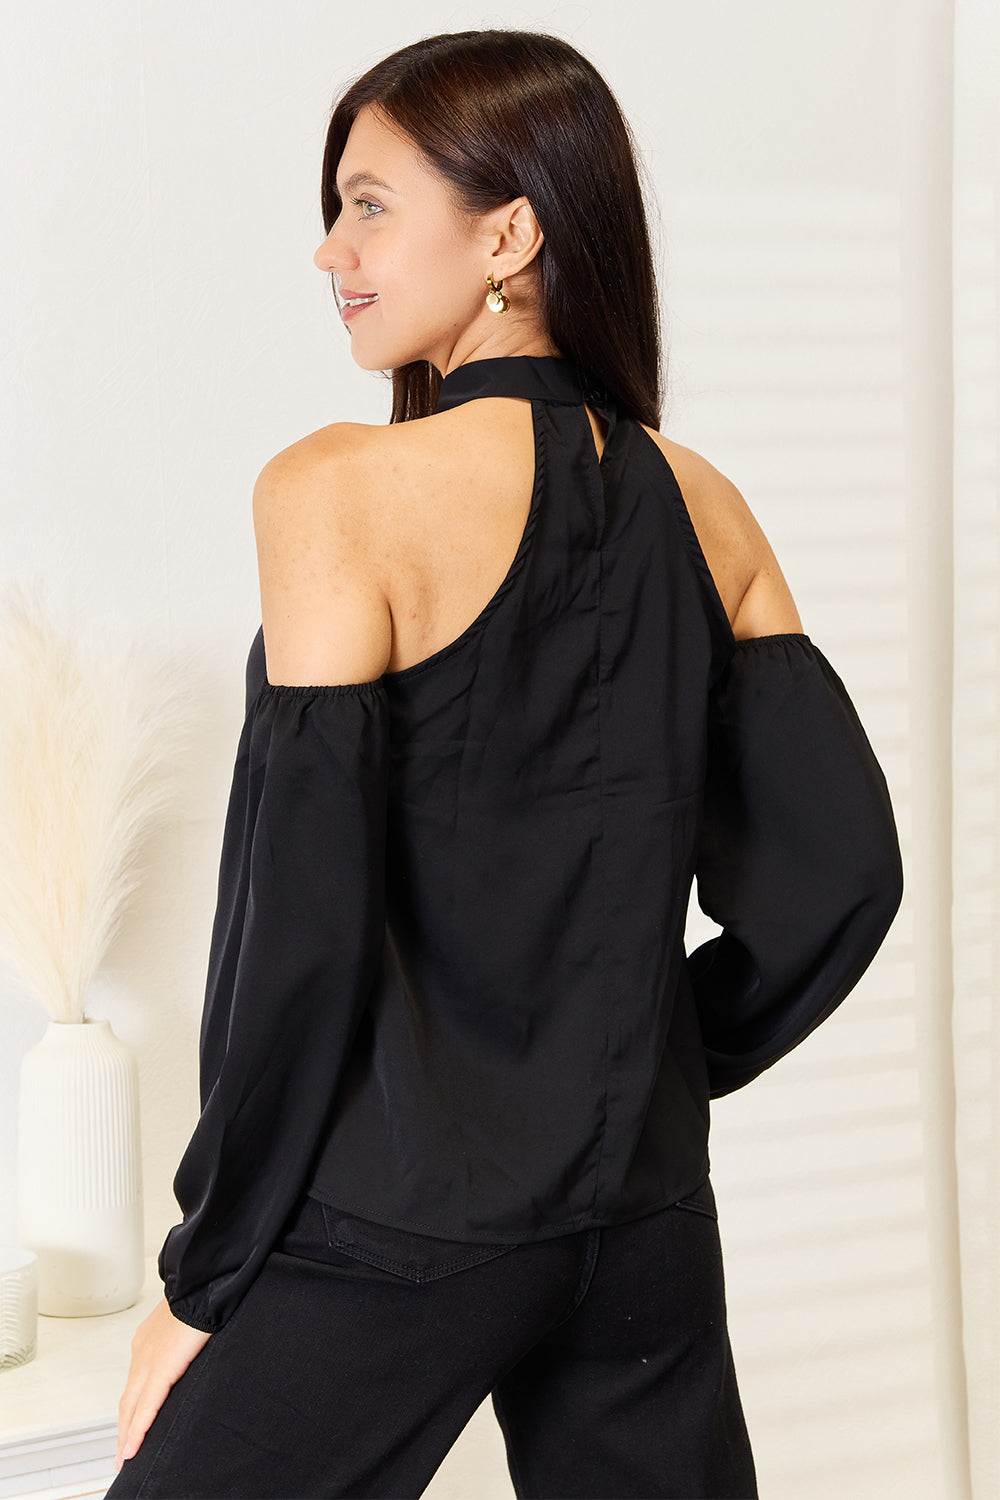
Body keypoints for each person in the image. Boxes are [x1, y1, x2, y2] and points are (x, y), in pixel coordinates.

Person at [106, 28, 903, 1500]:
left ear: (510, 234)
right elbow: (843, 879)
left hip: (399, 1227)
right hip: (641, 1226)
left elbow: (300, 933)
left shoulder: (337, 491)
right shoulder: (706, 502)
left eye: (368, 202)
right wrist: (632, 1068)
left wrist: (203, 1274)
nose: (330, 248)